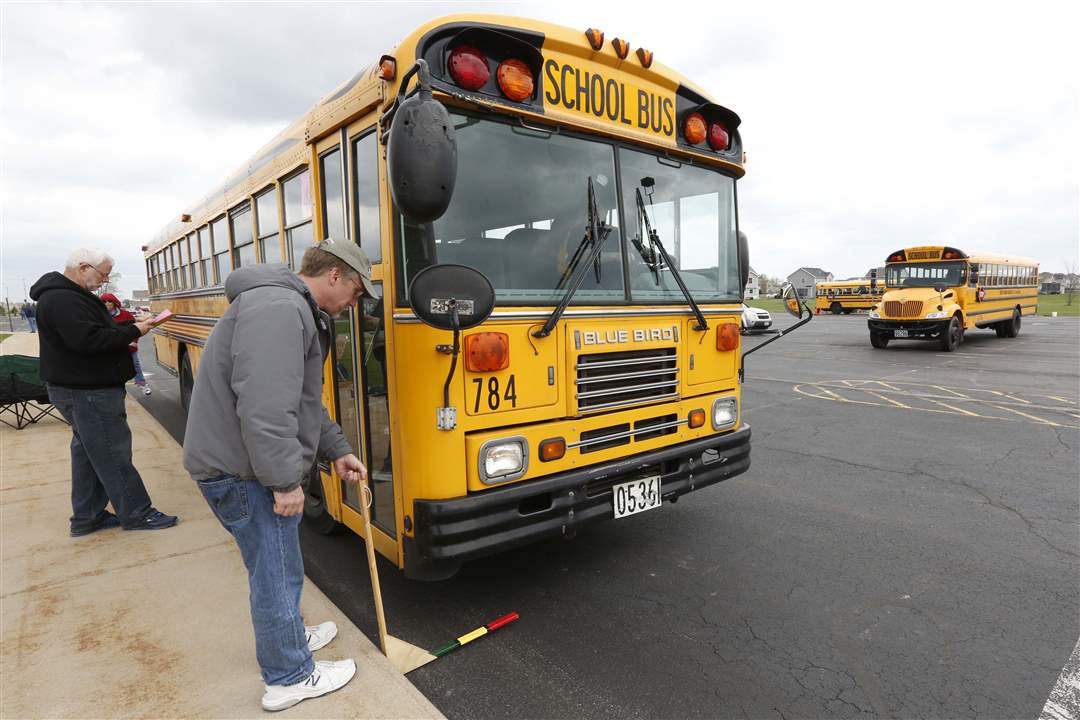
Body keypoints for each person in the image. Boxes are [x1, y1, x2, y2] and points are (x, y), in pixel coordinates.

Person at [182, 238, 373, 712]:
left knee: (279, 566)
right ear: (334, 276)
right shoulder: (281, 309)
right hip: (243, 471)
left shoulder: (283, 305)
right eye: (355, 291)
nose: (355, 302)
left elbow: (300, 402)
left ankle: (288, 636)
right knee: (274, 573)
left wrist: (337, 450)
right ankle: (289, 674)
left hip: (241, 465)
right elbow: (267, 409)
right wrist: (285, 481)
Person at [29, 248, 179, 536]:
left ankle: (88, 516)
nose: (105, 281)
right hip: (87, 391)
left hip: (79, 388)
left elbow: (92, 329)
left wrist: (130, 325)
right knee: (112, 452)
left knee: (88, 453)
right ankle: (137, 513)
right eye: (103, 274)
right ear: (83, 267)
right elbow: (88, 340)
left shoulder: (65, 295)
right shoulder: (63, 298)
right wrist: (134, 331)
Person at [100, 293, 151, 396]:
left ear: (114, 303)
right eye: (104, 301)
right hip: (111, 347)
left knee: (135, 364)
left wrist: (134, 342)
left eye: (109, 301)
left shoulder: (126, 315)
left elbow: (135, 328)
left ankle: (142, 384)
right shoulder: (100, 316)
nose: (107, 304)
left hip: (128, 346)